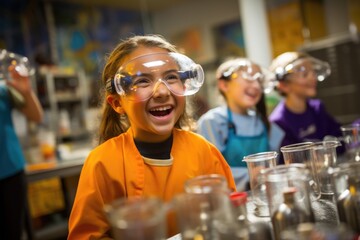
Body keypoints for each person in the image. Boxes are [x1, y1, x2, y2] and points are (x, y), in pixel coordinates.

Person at [67, 35, 236, 239]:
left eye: (171, 77)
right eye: (143, 81)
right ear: (117, 103)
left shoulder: (204, 151)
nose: (162, 91)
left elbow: (229, 214)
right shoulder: (102, 163)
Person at [196, 58, 284, 191]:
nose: (256, 86)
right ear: (224, 85)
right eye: (249, 78)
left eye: (259, 81)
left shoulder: (264, 123)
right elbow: (212, 172)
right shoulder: (212, 122)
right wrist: (251, 175)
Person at [269, 52, 343, 164]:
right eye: (304, 74)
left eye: (313, 72)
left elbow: (340, 139)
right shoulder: (278, 122)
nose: (313, 77)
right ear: (283, 85)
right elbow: (288, 163)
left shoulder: (317, 108)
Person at [0, 53, 44, 239]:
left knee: (13, 233)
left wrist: (26, 91)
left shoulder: (3, 89)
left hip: (10, 173)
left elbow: (36, 116)